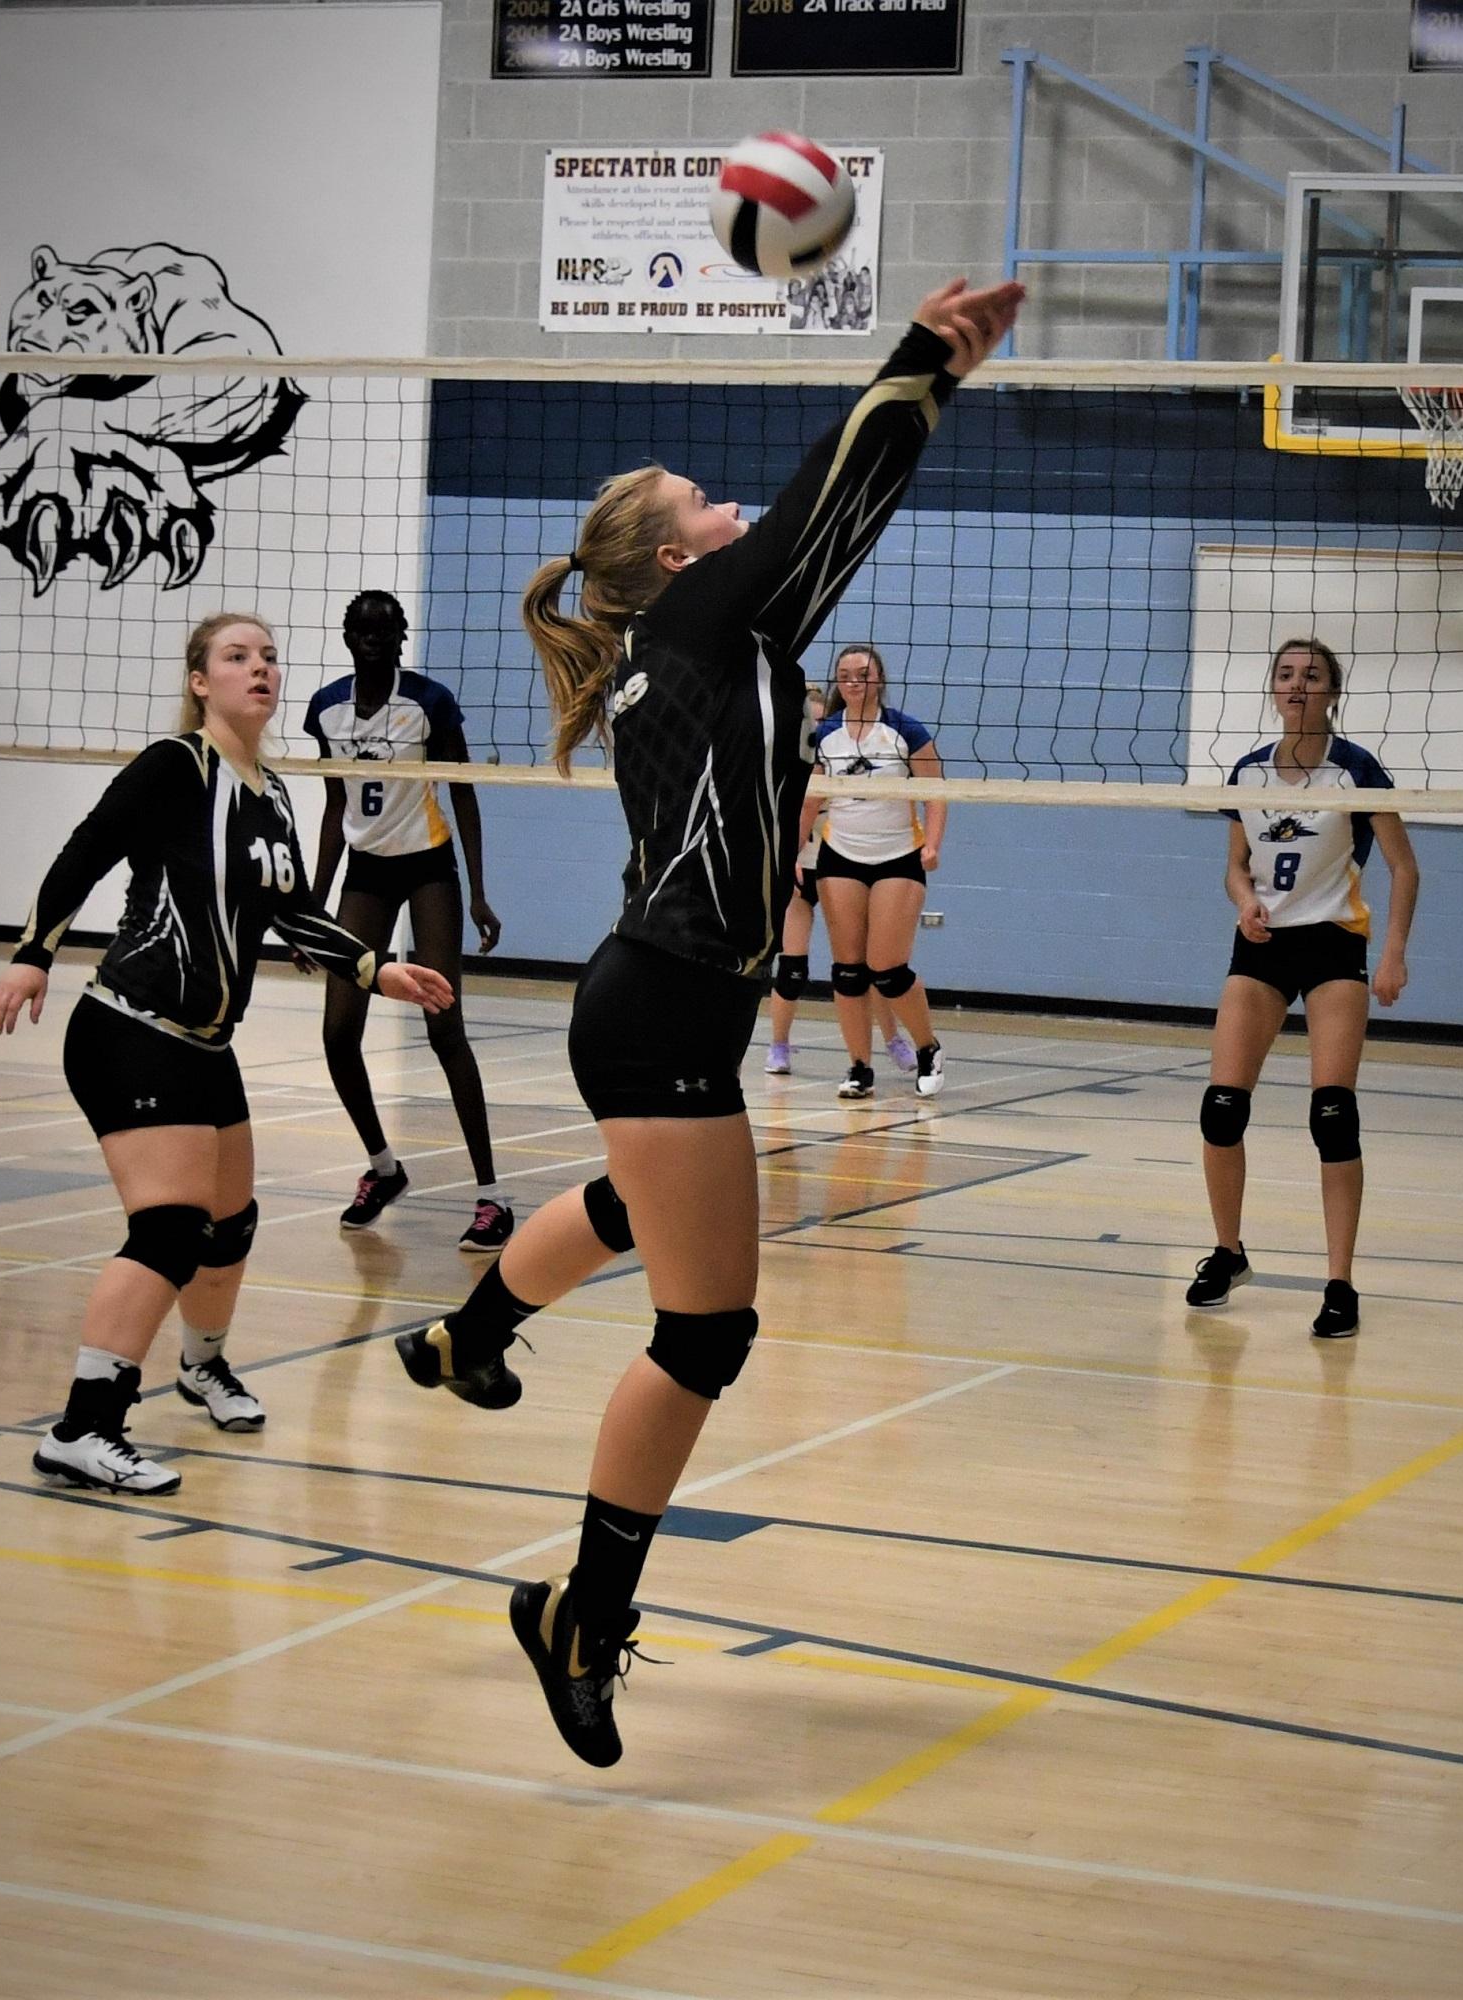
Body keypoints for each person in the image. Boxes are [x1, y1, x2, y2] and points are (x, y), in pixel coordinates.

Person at [394, 275, 1023, 1766]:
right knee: (710, 1324)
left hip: (656, 1005)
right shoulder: (698, 613)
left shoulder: (699, 634)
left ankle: (473, 1335)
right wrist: (929, 357)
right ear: (675, 554)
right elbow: (825, 499)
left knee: (642, 1207)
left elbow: (827, 532)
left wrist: (931, 390)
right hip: (665, 1007)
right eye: (702, 498)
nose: (731, 504)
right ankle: (582, 1616)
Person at [0, 613, 451, 1496]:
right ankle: (82, 1429)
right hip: (131, 1028)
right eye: (237, 657)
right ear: (200, 680)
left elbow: (291, 913)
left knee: (231, 1222)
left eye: (269, 657)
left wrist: (375, 968)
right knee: (168, 1229)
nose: (260, 669)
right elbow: (84, 853)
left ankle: (202, 1369)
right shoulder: (175, 767)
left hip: (205, 1045)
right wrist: (31, 953)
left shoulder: (272, 793)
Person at [1186, 636, 1420, 1339]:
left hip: (1332, 942)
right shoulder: (1248, 773)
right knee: (1222, 1109)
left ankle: (1340, 1282)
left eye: (1310, 676)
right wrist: (1242, 901)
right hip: (1261, 945)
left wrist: (1394, 956)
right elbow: (1235, 866)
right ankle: (1230, 1254)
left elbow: (1405, 869)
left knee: (1332, 1115)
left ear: (1331, 691)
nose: (1296, 686)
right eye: (1285, 675)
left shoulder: (1356, 771)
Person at [305, 590, 509, 1252]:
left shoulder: (428, 702)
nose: (372, 639)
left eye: (384, 630)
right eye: (361, 630)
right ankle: (384, 1169)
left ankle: (491, 1196)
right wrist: (313, 901)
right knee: (339, 1032)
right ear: (345, 637)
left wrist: (478, 891)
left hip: (427, 869)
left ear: (400, 637)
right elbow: (336, 806)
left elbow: (464, 791)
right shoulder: (326, 709)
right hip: (366, 874)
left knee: (443, 1026)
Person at [801, 643, 948, 1099]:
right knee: (848, 971)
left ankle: (928, 1047)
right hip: (840, 854)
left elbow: (936, 792)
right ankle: (859, 1067)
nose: (852, 681)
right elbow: (810, 799)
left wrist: (934, 845)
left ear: (878, 679)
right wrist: (793, 849)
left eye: (862, 674)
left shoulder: (905, 730)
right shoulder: (824, 733)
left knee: (887, 968)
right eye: (845, 674)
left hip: (899, 855)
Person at [765, 682, 914, 1079]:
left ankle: (893, 1040)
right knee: (791, 969)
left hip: (842, 868)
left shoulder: (845, 757)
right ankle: (778, 1045)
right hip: (801, 872)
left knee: (863, 968)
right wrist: (788, 857)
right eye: (807, 724)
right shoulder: (784, 768)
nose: (815, 730)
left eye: (819, 722)